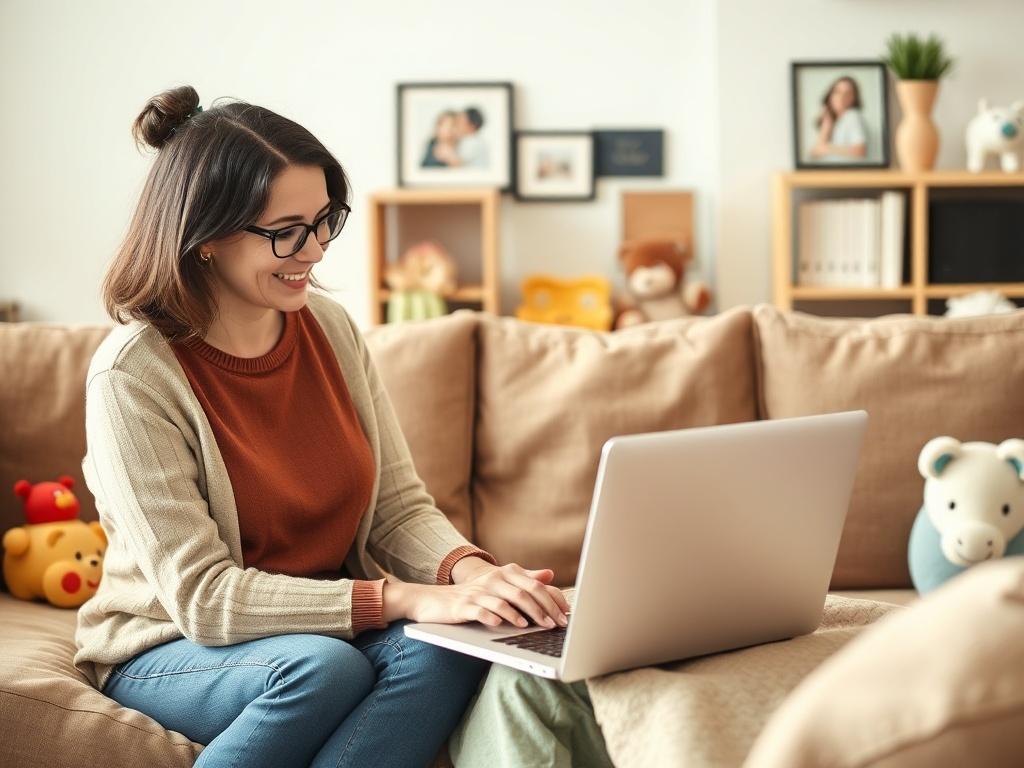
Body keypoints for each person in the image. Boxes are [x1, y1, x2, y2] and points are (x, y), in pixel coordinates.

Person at [73, 84, 570, 768]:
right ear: (207, 237)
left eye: (326, 219)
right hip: (169, 647)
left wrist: (472, 576)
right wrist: (402, 598)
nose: (316, 250)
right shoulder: (133, 376)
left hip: (322, 629)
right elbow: (204, 599)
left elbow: (396, 508)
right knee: (319, 669)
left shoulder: (330, 330)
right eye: (287, 231)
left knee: (452, 650)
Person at [809, 75, 869, 163]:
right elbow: (815, 153)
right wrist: (826, 126)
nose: (842, 97)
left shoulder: (852, 116)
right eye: (837, 92)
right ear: (830, 95)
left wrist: (826, 148)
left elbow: (860, 151)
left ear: (854, 98)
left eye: (848, 93)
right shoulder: (837, 122)